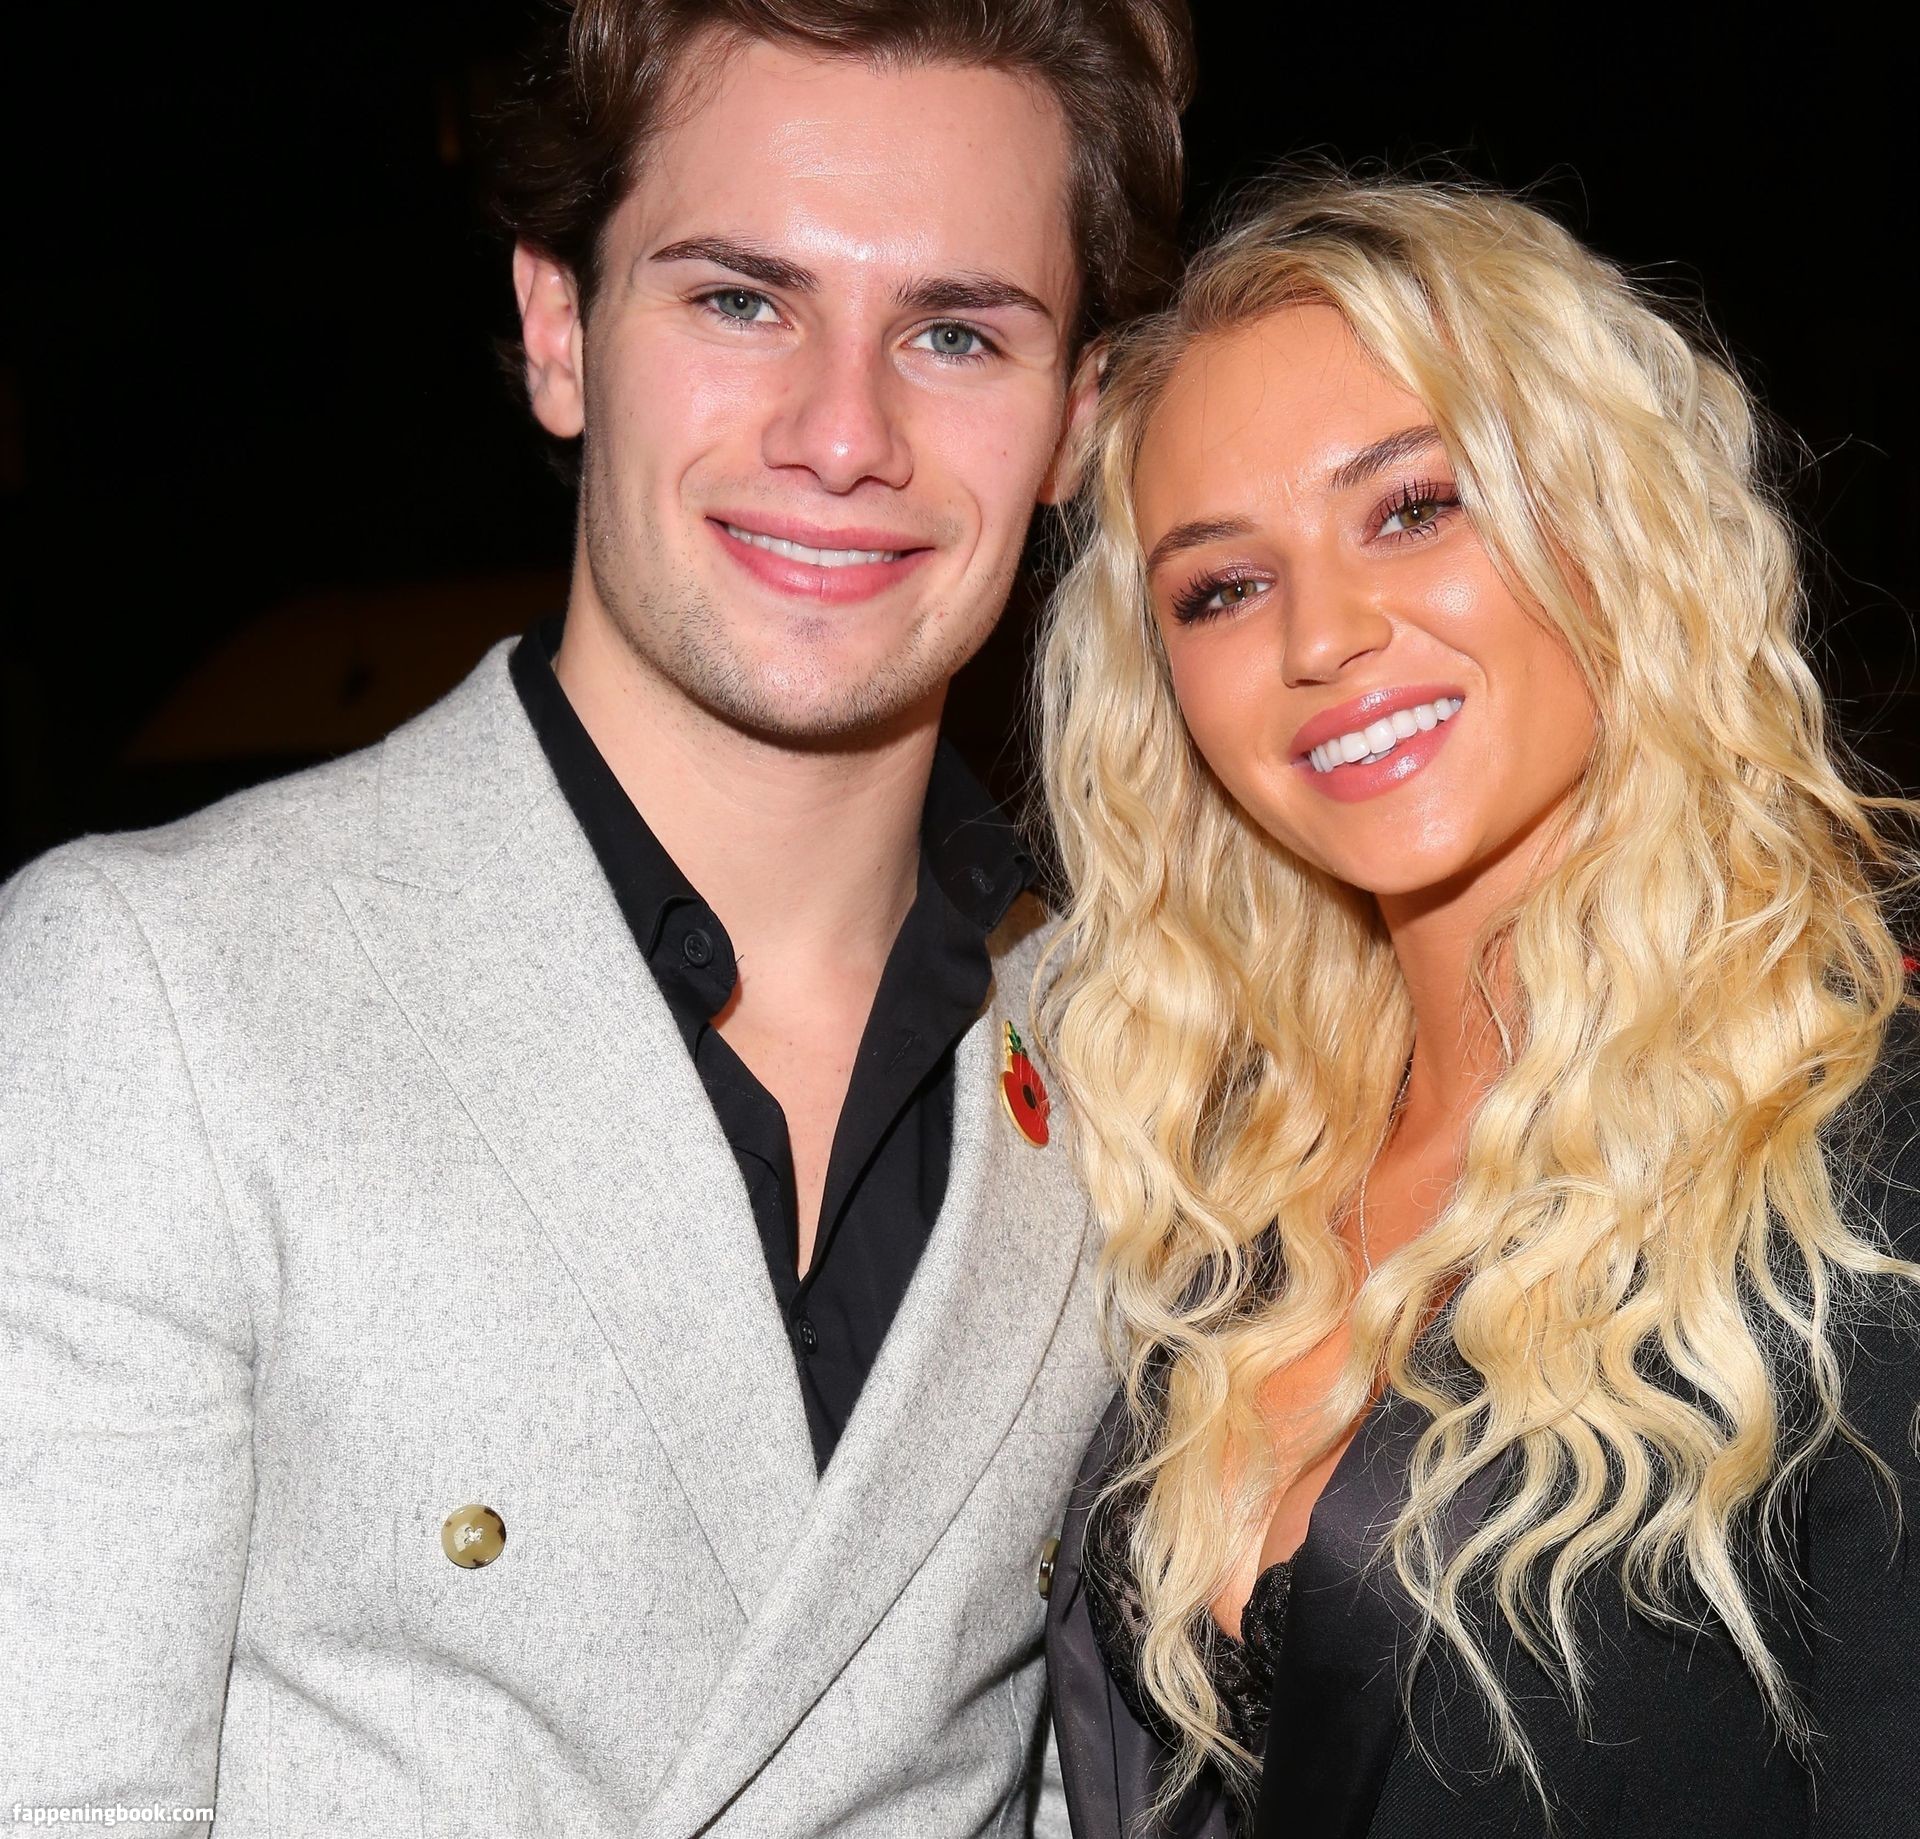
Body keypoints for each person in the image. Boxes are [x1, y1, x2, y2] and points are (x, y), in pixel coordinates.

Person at [0, 3, 1193, 1832]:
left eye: (954, 333)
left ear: (1077, 421)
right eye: (741, 301)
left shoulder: (1141, 1057)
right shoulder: (155, 997)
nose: (843, 434)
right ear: (560, 329)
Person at [1033, 176, 1920, 1838]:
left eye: (1414, 507)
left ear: (1609, 517)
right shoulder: (1209, 1181)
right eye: (1221, 589)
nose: (1323, 635)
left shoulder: (1863, 1164)